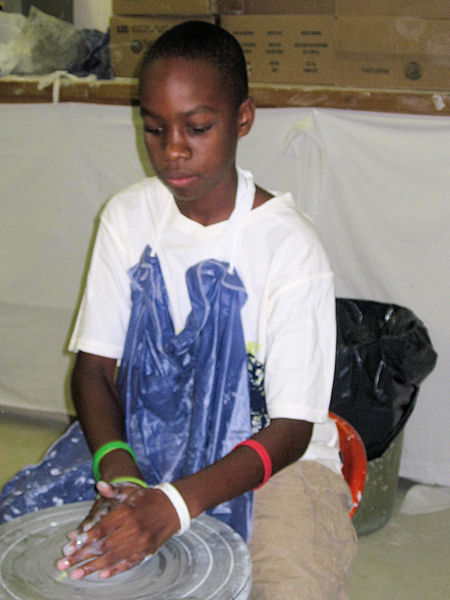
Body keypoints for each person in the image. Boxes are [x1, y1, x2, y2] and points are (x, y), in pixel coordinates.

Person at [0, 21, 356, 598]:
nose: (172, 150)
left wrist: (171, 506)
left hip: (269, 461)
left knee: (291, 586)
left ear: (243, 118)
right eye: (154, 128)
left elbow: (292, 430)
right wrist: (122, 476)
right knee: (25, 545)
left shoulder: (289, 246)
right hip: (142, 441)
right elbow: (94, 371)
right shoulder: (127, 218)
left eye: (197, 127)